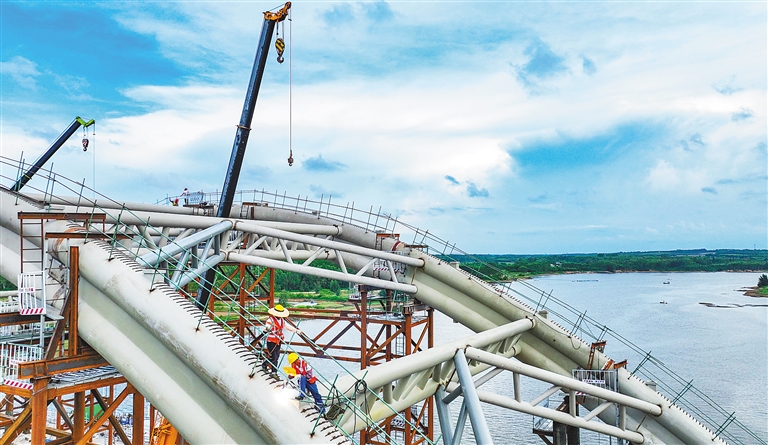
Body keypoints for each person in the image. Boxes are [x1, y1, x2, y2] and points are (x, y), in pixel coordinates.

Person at [261, 304, 301, 379]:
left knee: (277, 356)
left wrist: (296, 330)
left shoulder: (282, 320)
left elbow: (288, 327)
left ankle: (273, 371)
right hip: (271, 340)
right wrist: (268, 328)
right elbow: (267, 326)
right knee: (273, 356)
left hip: (278, 340)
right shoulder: (270, 320)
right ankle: (266, 366)